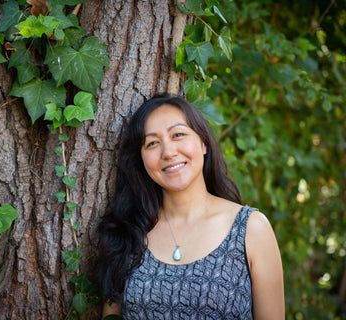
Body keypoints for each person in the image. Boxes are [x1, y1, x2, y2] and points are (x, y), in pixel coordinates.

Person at [97, 94, 284, 319]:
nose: (168, 152)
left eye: (178, 135)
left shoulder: (251, 229)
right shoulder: (128, 233)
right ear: (141, 159)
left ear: (203, 143)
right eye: (152, 143)